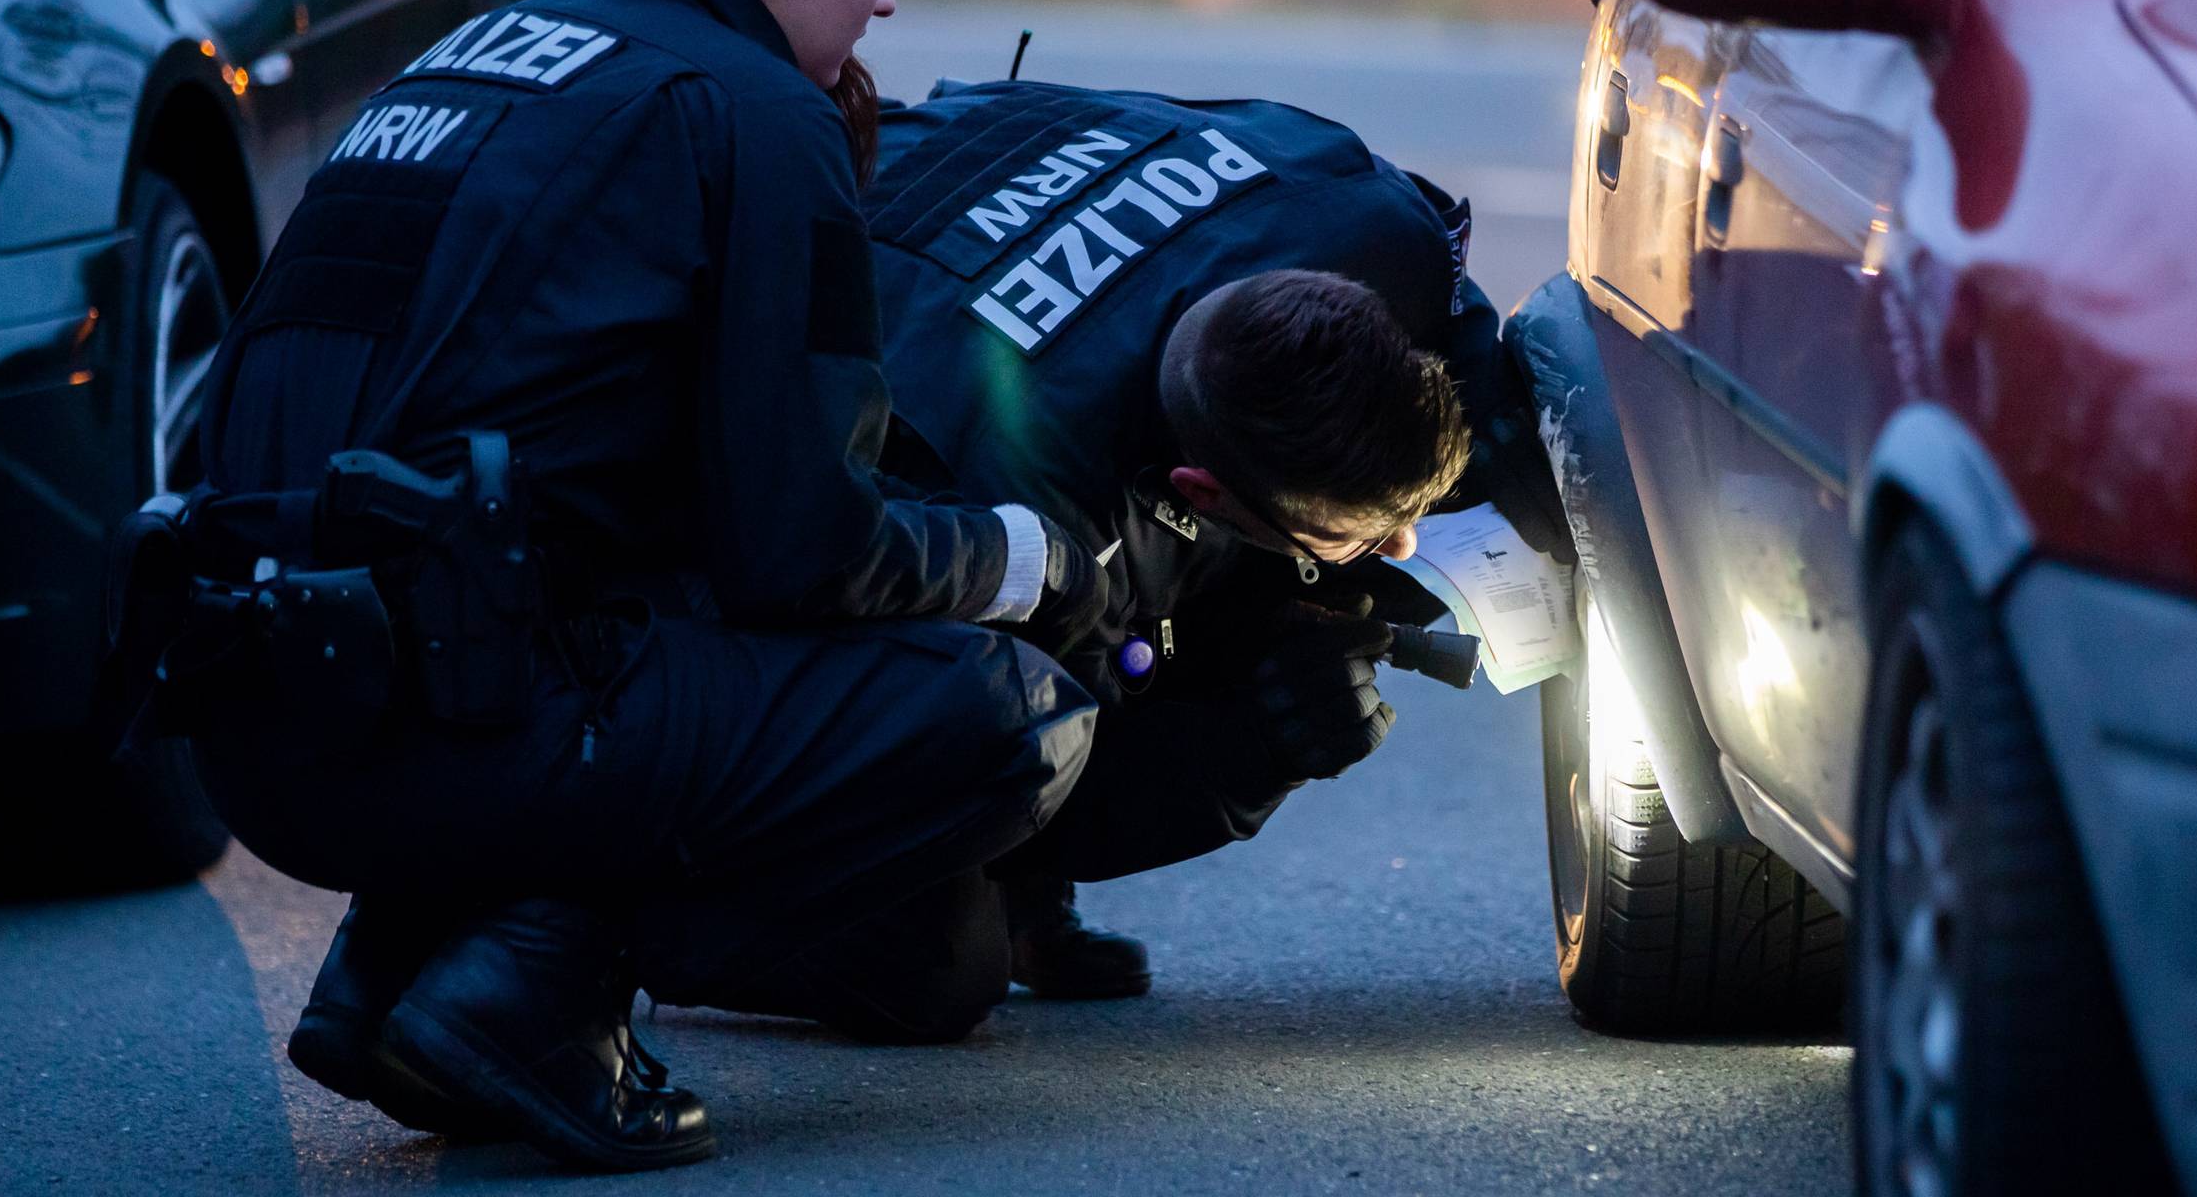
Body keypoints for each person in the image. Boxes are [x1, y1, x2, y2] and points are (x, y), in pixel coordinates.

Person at [144, 0, 1113, 1171]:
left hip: (262, 730)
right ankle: (530, 983)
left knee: (603, 593)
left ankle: (399, 962)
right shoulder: (756, 106)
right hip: (447, 731)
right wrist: (1025, 557)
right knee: (1011, 715)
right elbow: (803, 548)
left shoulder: (486, 50)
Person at [628, 80, 1562, 1041]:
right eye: (1366, 528)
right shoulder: (1018, 500)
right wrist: (1256, 752)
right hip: (801, 459)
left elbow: (1461, 365)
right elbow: (1045, 779)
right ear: (1196, 490)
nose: (1403, 543)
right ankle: (614, 926)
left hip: (998, 207)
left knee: (1291, 579)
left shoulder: (1373, 221)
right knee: (937, 969)